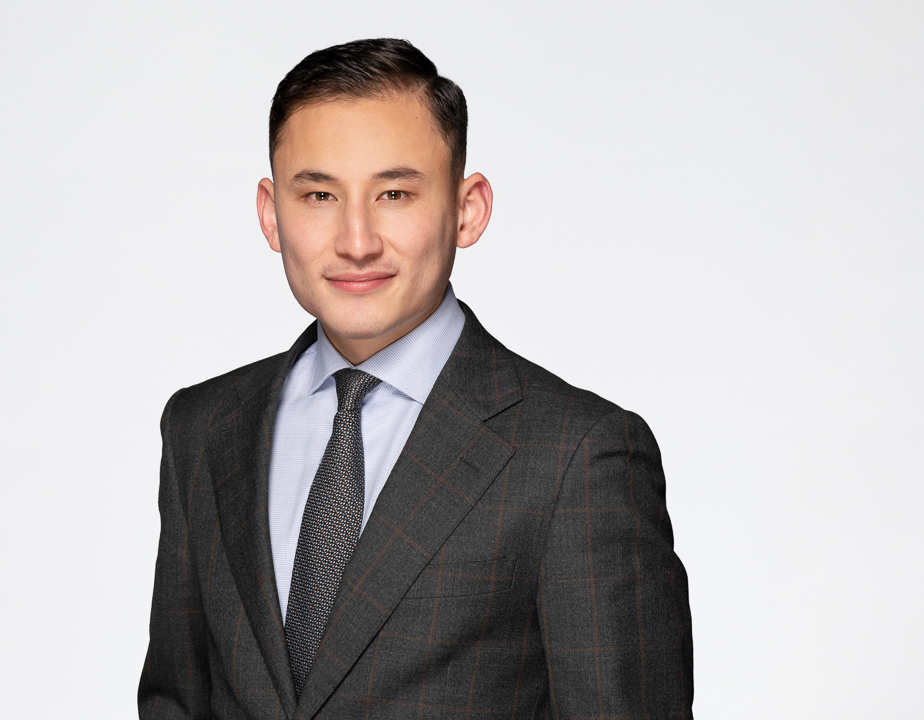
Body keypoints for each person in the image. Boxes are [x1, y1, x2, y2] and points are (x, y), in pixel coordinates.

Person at [139, 38, 693, 720]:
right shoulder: (203, 429)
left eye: (395, 193)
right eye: (318, 194)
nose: (357, 239)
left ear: (468, 210)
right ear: (270, 212)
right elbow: (174, 703)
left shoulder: (576, 456)